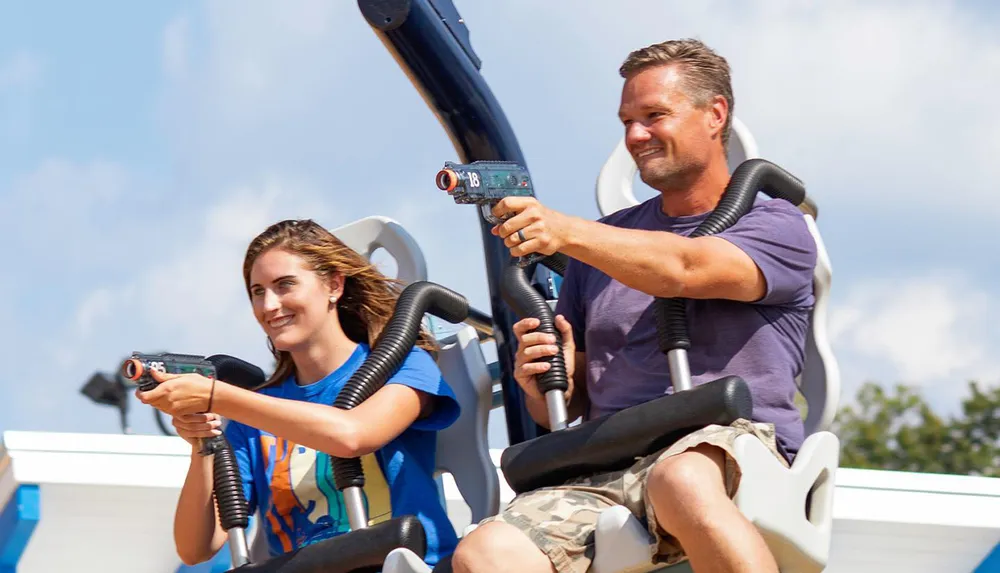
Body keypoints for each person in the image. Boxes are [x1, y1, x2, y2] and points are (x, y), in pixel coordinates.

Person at [452, 39, 817, 573]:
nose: (635, 136)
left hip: (729, 445)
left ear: (715, 114)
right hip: (610, 465)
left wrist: (563, 230)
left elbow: (686, 269)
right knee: (485, 552)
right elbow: (566, 405)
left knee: (682, 479)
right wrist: (549, 380)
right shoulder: (601, 245)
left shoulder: (774, 224)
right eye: (626, 121)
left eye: (654, 116)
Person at [136, 219, 461, 568]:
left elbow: (354, 435)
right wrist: (201, 444)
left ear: (334, 285)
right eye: (258, 291)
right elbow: (195, 547)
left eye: (284, 285)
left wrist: (219, 397)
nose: (269, 305)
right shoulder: (253, 415)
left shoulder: (401, 363)